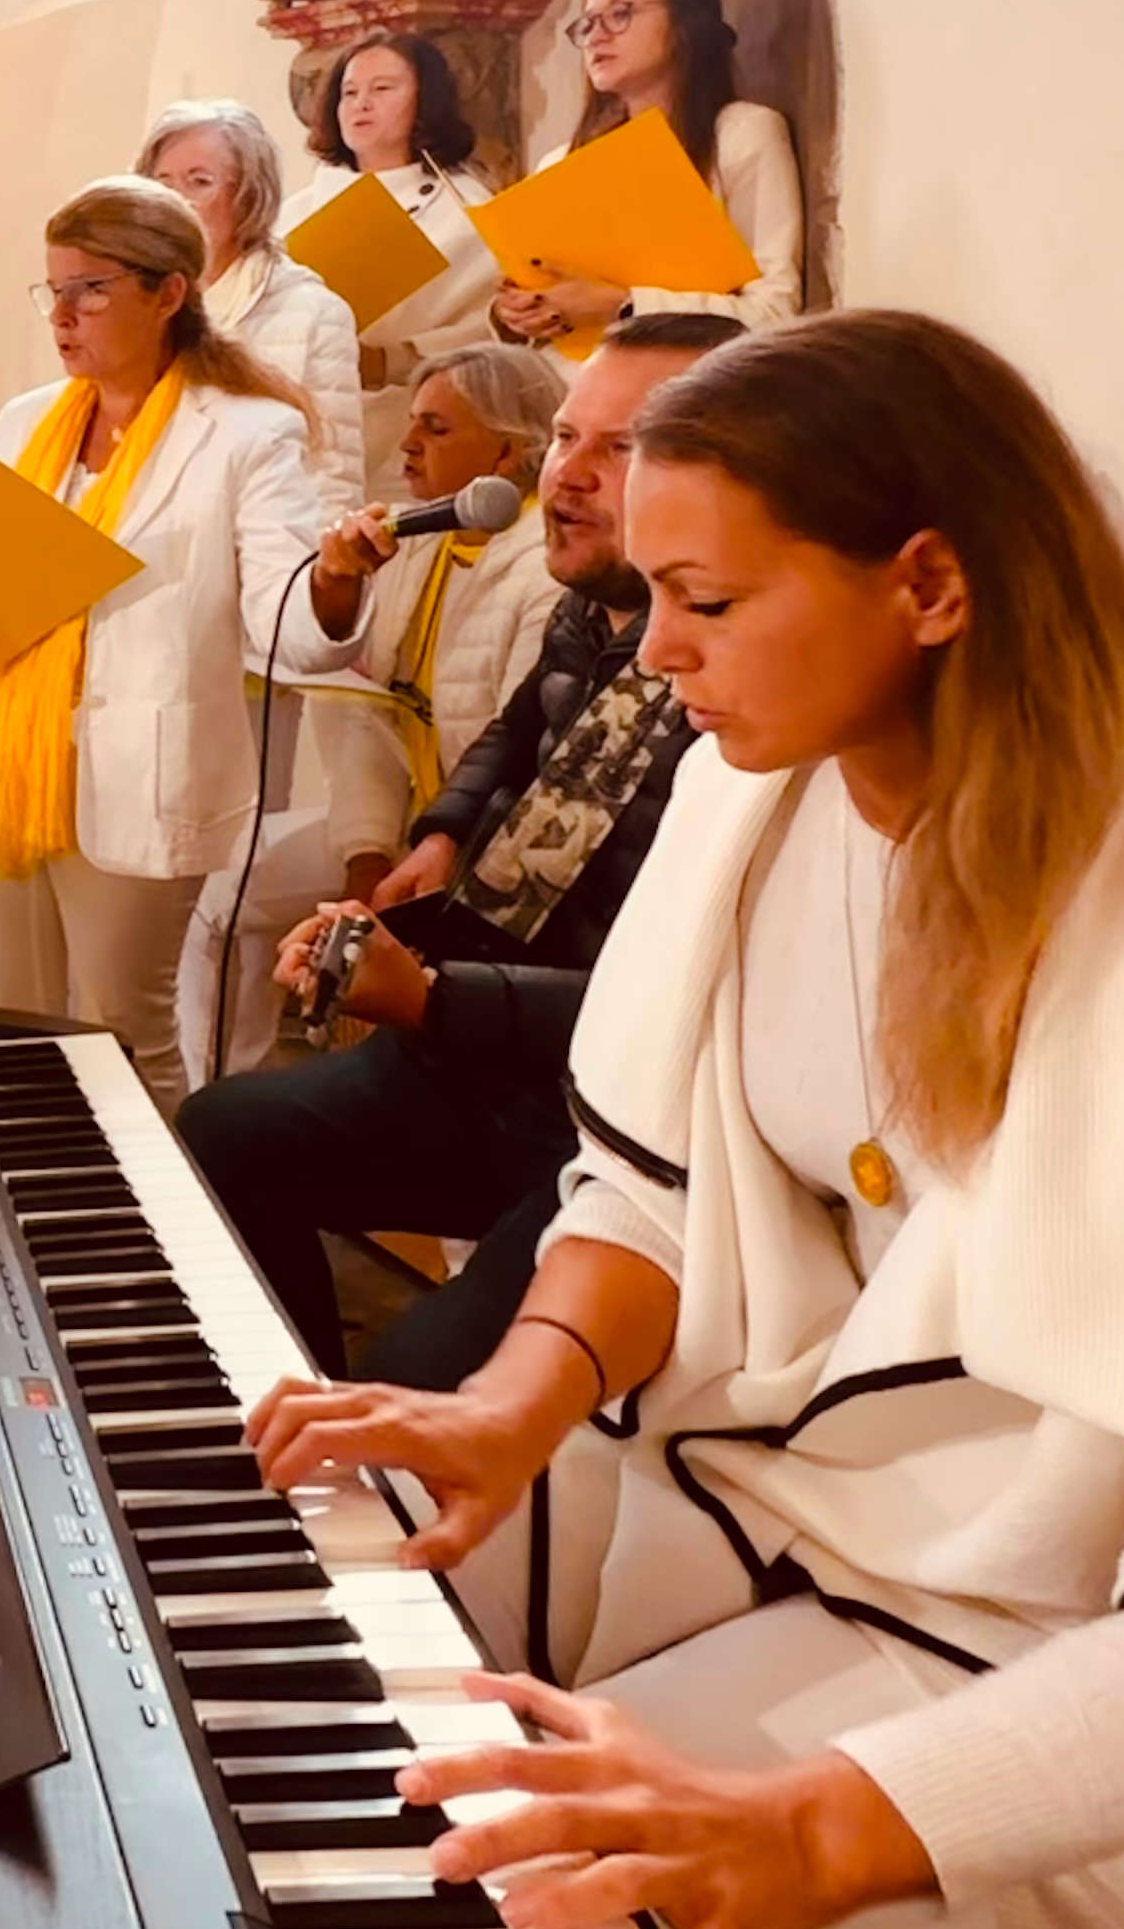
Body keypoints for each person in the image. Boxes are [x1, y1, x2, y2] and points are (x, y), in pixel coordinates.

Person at [252, 310, 1124, 1929]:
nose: (652, 653)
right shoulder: (759, 807)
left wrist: (804, 1826)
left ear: (930, 586)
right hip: (795, 1507)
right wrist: (509, 1401)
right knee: (280, 1640)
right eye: (649, 594)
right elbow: (648, 1188)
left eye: (707, 602)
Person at [172, 316, 738, 1387]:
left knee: (422, 1363)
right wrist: (437, 837)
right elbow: (516, 732)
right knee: (221, 1131)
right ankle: (281, 1417)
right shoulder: (594, 609)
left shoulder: (736, 693)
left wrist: (433, 998)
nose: (561, 477)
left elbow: (685, 1015)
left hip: (616, 1114)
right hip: (505, 1044)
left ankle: (374, 1470)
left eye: (619, 451)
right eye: (564, 439)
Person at [0, 178, 346, 1112]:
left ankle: (158, 1237)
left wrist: (337, 582)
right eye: (52, 289)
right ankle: (36, 1219)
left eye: (91, 289)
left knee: (121, 1033)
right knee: (10, 1024)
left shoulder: (249, 434)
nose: (62, 314)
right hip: (10, 762)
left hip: (138, 769)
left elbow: (291, 630)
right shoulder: (26, 425)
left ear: (169, 292)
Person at [198, 343, 570, 1067]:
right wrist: (365, 853)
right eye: (410, 423)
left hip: (477, 853)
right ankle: (218, 1080)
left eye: (435, 428)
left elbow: (521, 760)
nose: (404, 444)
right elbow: (369, 716)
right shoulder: (416, 541)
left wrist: (425, 856)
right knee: (222, 895)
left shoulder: (546, 574)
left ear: (509, 451)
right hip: (398, 832)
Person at [495, 0, 801, 343]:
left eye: (621, 13)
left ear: (685, 24)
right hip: (573, 387)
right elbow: (545, 308)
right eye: (587, 24)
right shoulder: (562, 163)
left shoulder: (742, 135)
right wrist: (517, 313)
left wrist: (626, 306)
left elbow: (774, 315)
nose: (596, 36)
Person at [280, 31, 505, 499]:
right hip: (303, 431)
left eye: (382, 89)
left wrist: (389, 359)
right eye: (349, 92)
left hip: (406, 431)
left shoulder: (465, 208)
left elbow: (490, 331)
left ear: (426, 101)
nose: (362, 104)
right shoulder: (293, 213)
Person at [139, 99, 365, 511]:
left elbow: (333, 482)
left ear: (248, 195)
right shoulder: (135, 304)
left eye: (199, 182)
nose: (175, 203)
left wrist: (324, 573)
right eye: (163, 184)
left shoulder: (314, 313)